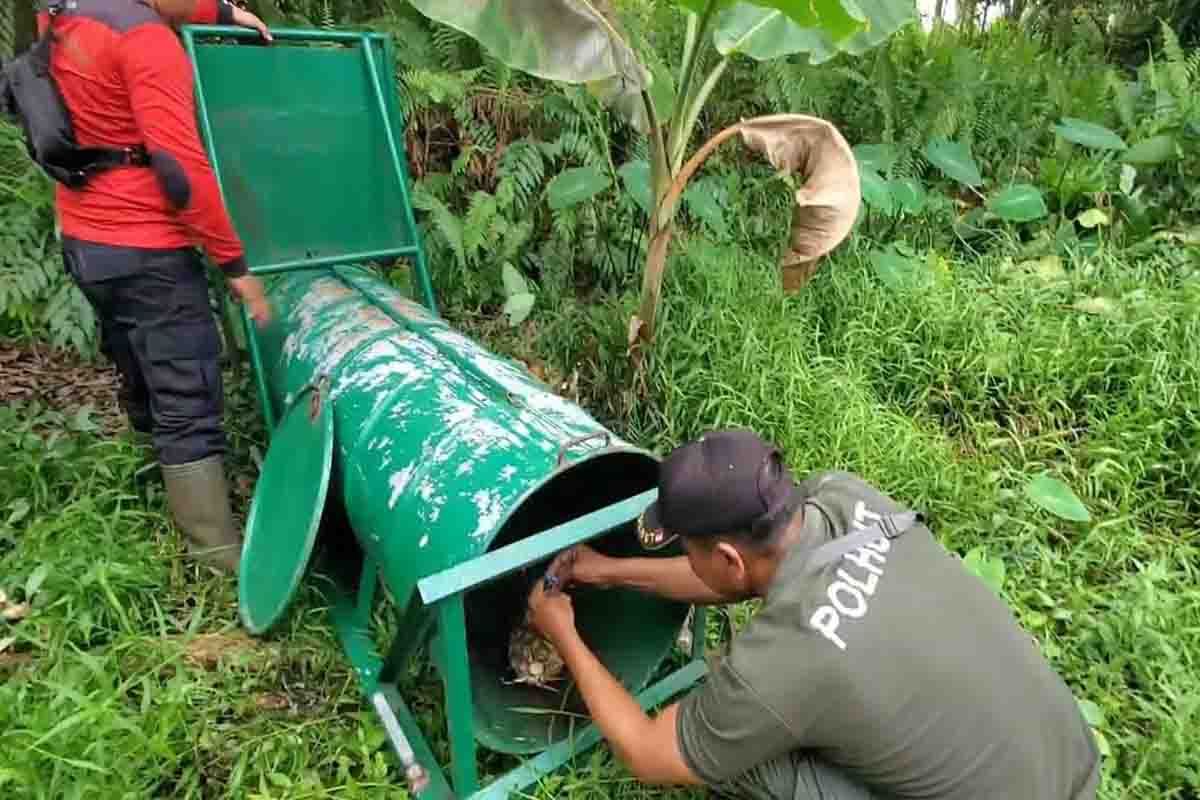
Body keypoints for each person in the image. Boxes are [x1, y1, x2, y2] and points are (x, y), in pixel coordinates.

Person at [528, 429, 1101, 800]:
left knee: (734, 758)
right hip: (1070, 762)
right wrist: (607, 570)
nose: (684, 555)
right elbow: (744, 577)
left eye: (688, 547)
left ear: (727, 556)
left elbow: (650, 754)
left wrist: (564, 631)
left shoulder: (780, 666)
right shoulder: (845, 499)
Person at [33, 0, 274, 573]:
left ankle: (151, 479)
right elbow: (180, 172)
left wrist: (222, 14)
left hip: (85, 242)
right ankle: (217, 561)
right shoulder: (148, 43)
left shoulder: (61, 15)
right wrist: (235, 266)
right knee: (186, 393)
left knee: (135, 359)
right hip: (148, 254)